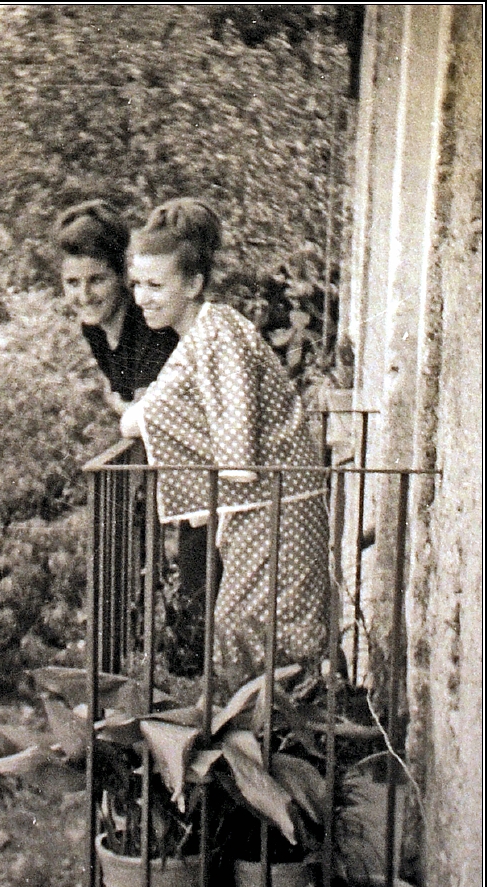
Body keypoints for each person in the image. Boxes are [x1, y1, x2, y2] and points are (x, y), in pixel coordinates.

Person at [120, 198, 329, 697]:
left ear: (192, 284)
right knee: (248, 630)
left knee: (259, 630)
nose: (142, 297)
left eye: (155, 285)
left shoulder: (218, 332)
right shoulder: (201, 336)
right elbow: (163, 406)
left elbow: (195, 417)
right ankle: (272, 745)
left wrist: (142, 415)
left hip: (276, 504)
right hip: (262, 506)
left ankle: (287, 750)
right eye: (136, 284)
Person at [54, 200, 178, 414]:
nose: (84, 296)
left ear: (122, 275)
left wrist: (125, 408)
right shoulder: (94, 328)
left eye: (97, 280)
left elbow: (143, 418)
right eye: (73, 282)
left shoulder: (151, 324)